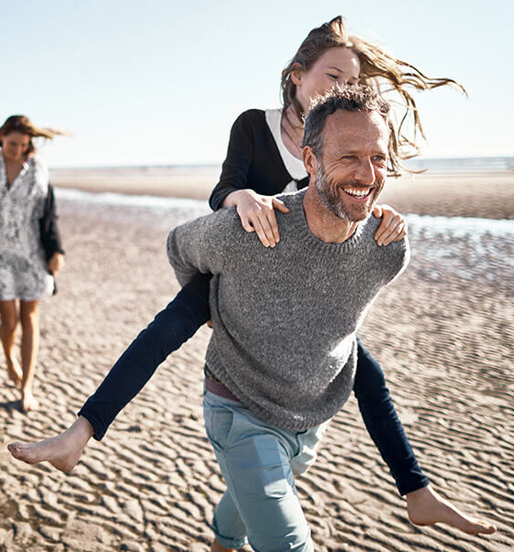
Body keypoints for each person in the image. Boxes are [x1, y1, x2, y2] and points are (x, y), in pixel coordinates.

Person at [9, 16, 491, 537]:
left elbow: (350, 188)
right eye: (333, 78)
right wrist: (238, 206)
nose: (343, 90)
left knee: (358, 362)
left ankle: (412, 490)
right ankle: (81, 431)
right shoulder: (256, 125)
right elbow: (224, 191)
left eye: (353, 83)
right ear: (296, 76)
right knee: (166, 330)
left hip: (297, 277)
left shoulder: (341, 133)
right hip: (238, 247)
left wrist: (382, 214)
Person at [176, 85, 491, 550]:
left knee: (245, 502)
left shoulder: (387, 249)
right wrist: (211, 310)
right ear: (309, 160)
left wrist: (414, 484)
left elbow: (349, 346)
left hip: (309, 420)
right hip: (238, 409)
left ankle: (222, 543)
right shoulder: (252, 226)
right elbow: (179, 247)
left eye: (379, 158)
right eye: (348, 157)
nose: (368, 173)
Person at [0, 115, 66, 413]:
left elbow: (48, 212)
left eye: (24, 145)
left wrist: (56, 250)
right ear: (0, 137)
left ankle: (27, 385)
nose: (17, 150)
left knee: (30, 317)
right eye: (13, 144)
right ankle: (9, 358)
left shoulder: (37, 168)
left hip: (32, 253)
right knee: (8, 320)